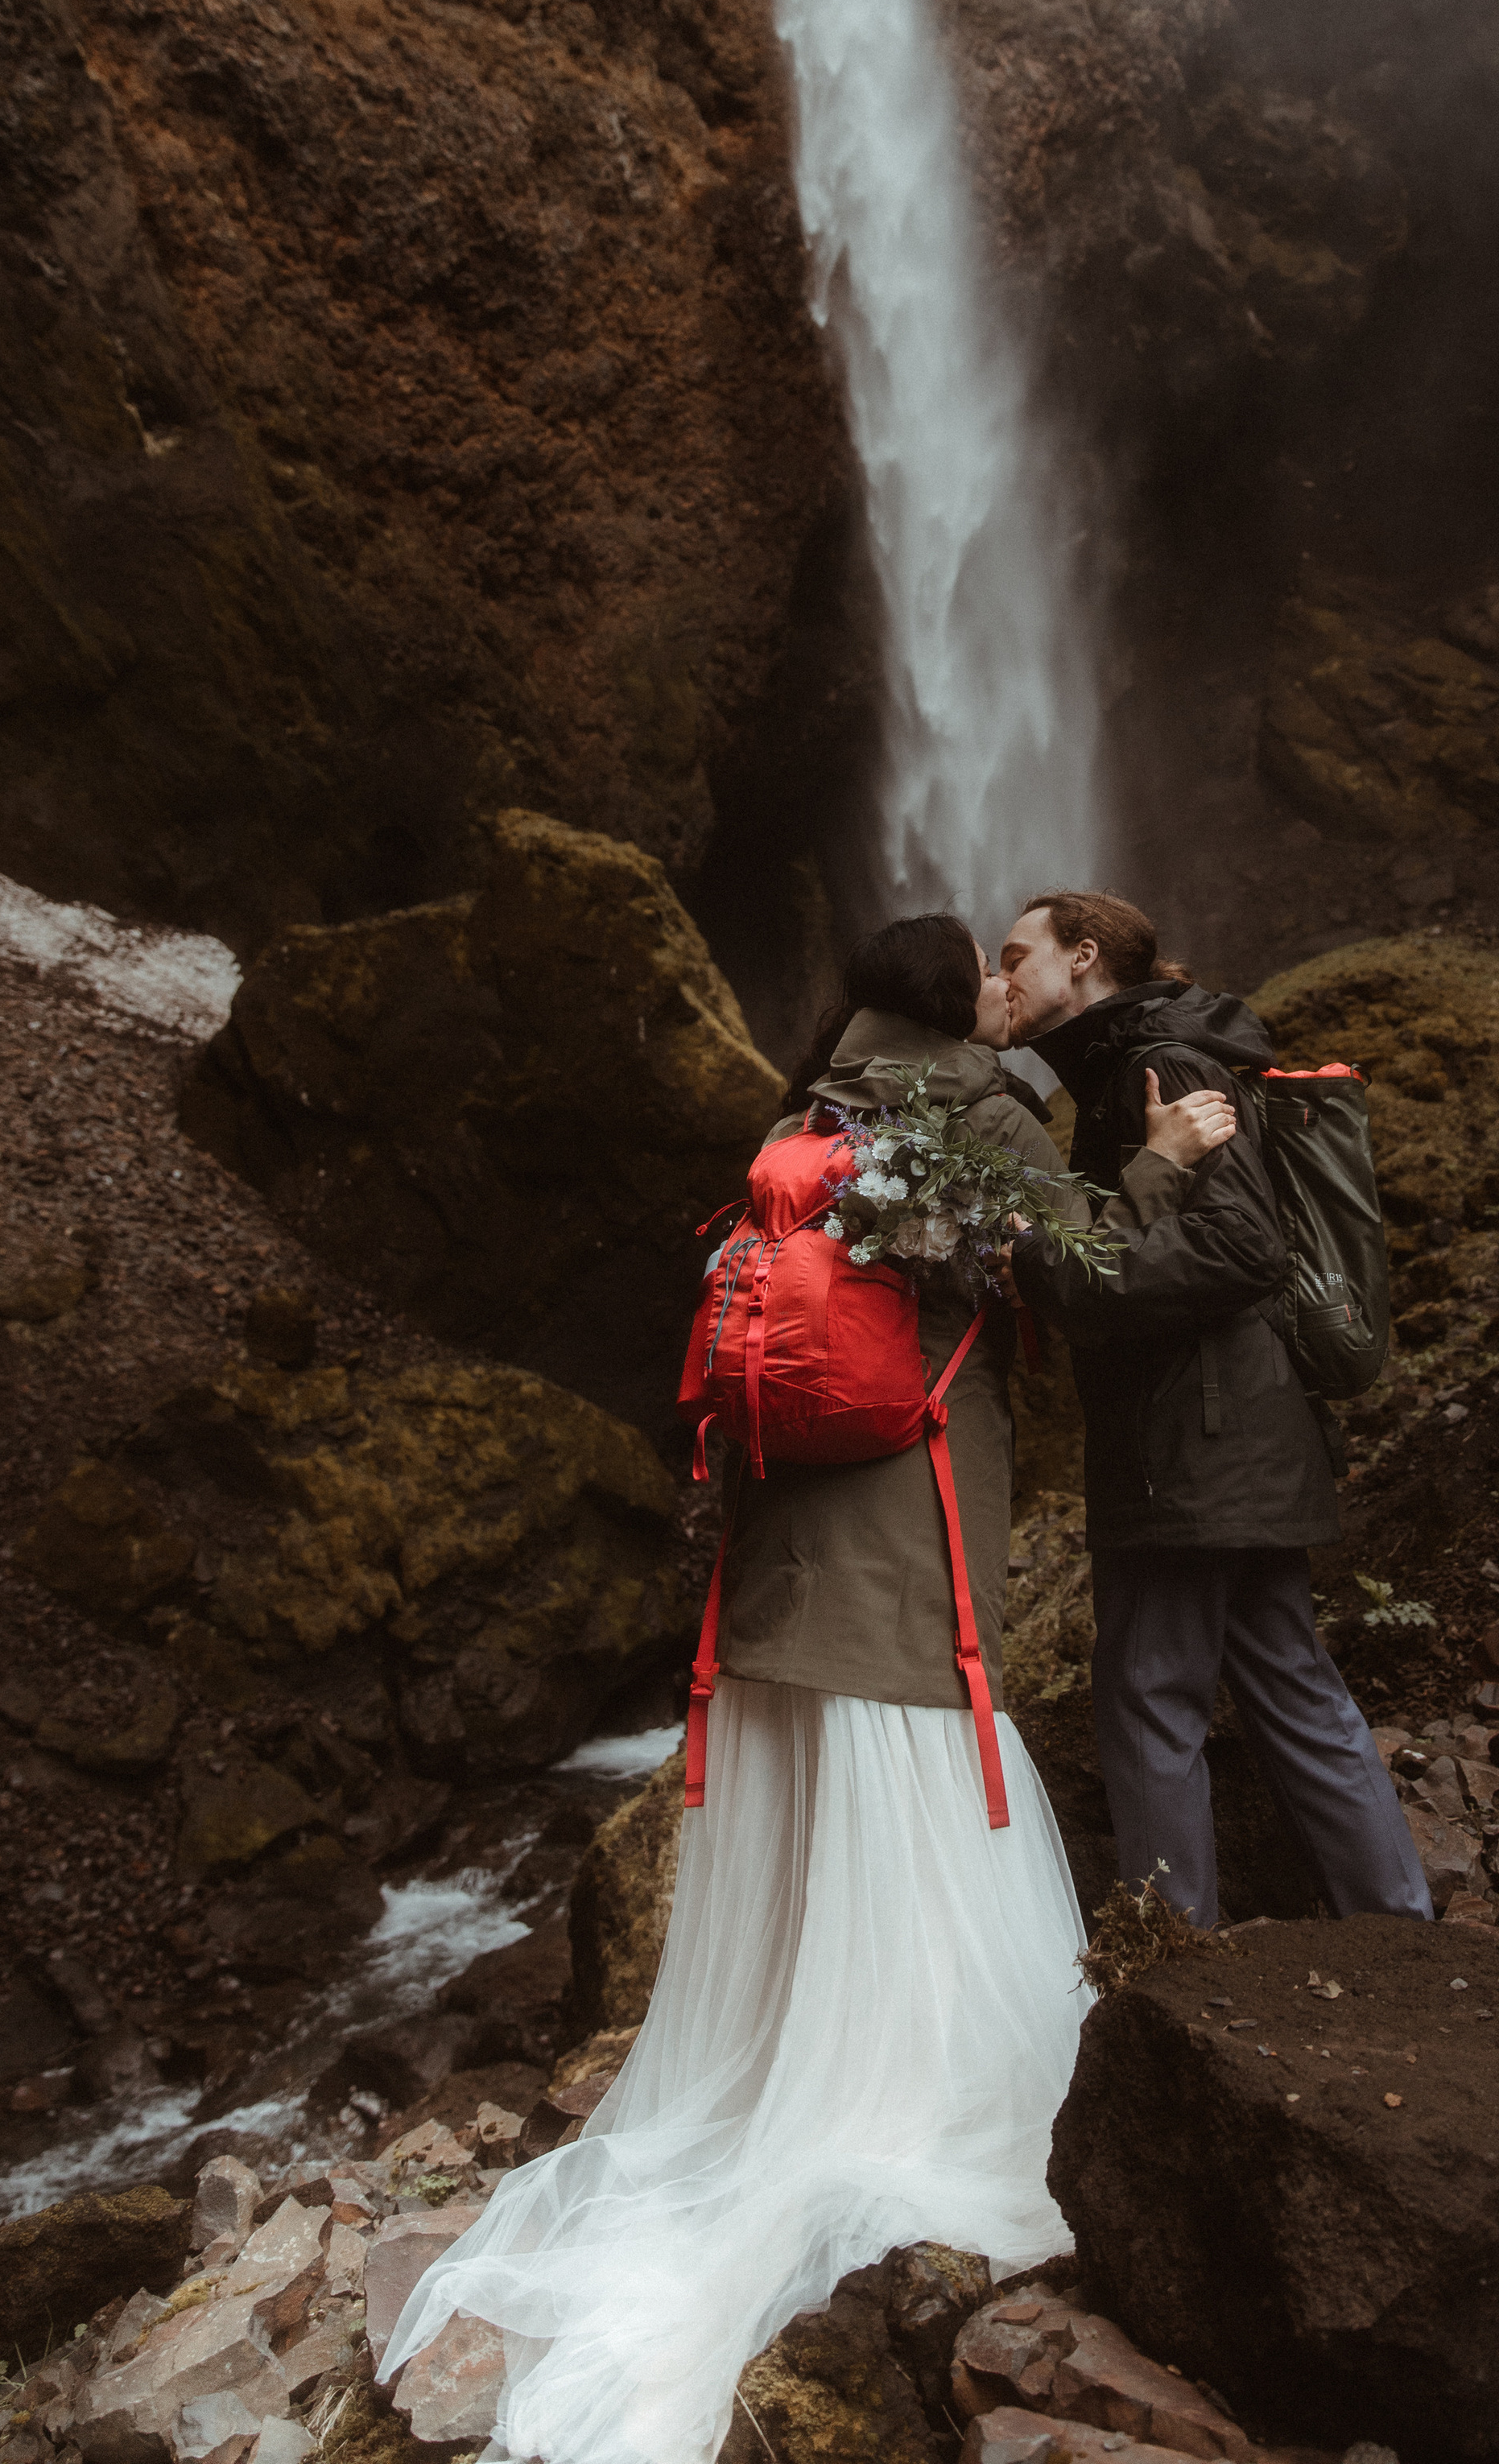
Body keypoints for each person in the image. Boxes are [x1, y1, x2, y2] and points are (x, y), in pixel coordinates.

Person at [378, 911, 1229, 2464]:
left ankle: (780, 2059)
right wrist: (1161, 1158)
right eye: (986, 962)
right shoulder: (972, 1107)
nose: (1002, 985)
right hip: (904, 1493)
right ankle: (905, 2079)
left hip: (781, 1523)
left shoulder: (805, 1111)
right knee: (903, 1732)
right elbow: (1090, 1267)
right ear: (945, 996)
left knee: (810, 1751)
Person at [1001, 887, 1431, 1934]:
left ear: (1085, 957)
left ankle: (1169, 1956)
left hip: (1191, 1447)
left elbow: (1244, 1245)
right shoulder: (1136, 1067)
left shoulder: (1162, 1066)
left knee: (1149, 1691)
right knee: (1287, 1681)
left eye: (1017, 955)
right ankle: (1396, 1925)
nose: (1000, 978)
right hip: (1237, 1435)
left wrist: (1070, 1270)